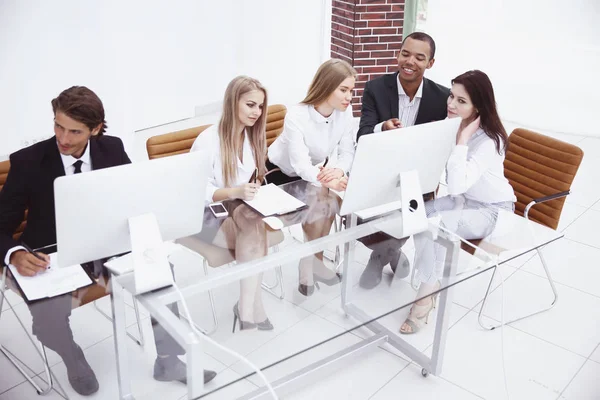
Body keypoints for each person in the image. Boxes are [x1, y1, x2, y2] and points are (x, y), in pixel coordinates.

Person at [0, 86, 216, 396]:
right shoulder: (27, 161)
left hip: (106, 245)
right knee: (48, 317)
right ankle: (72, 356)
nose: (63, 137)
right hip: (52, 255)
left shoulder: (112, 149)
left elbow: (133, 200)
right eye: (58, 126)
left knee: (160, 270)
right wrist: (15, 252)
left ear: (96, 129)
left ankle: (169, 361)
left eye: (74, 131)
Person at [399, 70, 516, 334]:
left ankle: (425, 295)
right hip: (462, 201)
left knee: (438, 226)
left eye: (461, 101)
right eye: (452, 96)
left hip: (493, 210)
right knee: (417, 215)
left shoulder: (490, 141)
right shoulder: (451, 124)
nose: (451, 104)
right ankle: (431, 282)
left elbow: (456, 184)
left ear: (479, 106)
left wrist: (462, 141)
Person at [356, 32, 450, 290]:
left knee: (413, 211)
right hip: (381, 171)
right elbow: (362, 135)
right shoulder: (375, 88)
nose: (410, 61)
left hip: (419, 177)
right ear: (398, 54)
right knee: (357, 217)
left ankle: (378, 258)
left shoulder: (443, 98)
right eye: (405, 54)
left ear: (430, 63)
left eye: (420, 57)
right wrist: (383, 128)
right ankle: (393, 253)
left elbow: (447, 140)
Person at [190, 75, 274, 331]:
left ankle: (247, 307)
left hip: (236, 207)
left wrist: (250, 189)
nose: (257, 113)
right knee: (254, 232)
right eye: (250, 105)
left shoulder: (252, 136)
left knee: (253, 227)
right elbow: (195, 190)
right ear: (232, 102)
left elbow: (251, 178)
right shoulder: (208, 140)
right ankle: (250, 308)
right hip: (204, 214)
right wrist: (234, 191)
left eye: (260, 107)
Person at [267, 58, 355, 295]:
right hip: (280, 175)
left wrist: (338, 172)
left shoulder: (345, 114)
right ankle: (312, 263)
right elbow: (300, 164)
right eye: (343, 90)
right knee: (321, 201)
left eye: (351, 91)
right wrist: (329, 180)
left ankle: (310, 262)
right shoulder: (296, 115)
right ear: (327, 87)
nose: (349, 97)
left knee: (326, 202)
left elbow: (348, 152)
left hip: (316, 172)